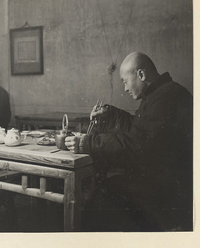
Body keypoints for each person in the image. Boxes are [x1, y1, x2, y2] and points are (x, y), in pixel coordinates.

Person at [65, 52, 193, 232]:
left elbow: (137, 143)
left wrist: (88, 143)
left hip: (170, 188)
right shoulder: (162, 92)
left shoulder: (167, 97)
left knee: (103, 193)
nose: (124, 88)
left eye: (125, 81)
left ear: (141, 75)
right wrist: (111, 114)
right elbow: (141, 128)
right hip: (165, 178)